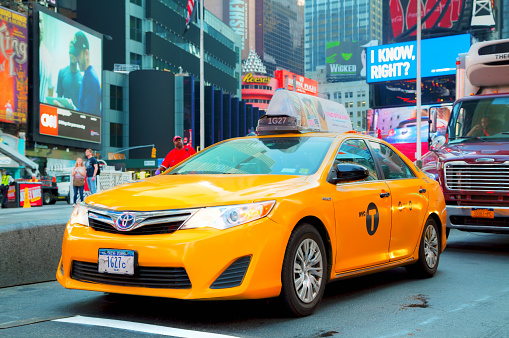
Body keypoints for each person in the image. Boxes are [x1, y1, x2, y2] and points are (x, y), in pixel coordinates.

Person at [70, 31, 101, 116]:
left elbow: (87, 118)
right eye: (75, 55)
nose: (76, 59)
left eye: (78, 55)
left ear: (86, 54)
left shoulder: (90, 78)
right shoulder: (88, 75)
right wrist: (73, 109)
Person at [56, 40, 83, 109]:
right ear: (69, 52)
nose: (73, 54)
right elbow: (58, 98)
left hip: (78, 116)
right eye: (72, 50)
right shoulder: (62, 72)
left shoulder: (82, 78)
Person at [39, 15, 54, 101]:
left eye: (41, 22)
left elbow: (50, 88)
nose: (40, 26)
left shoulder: (48, 57)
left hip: (40, 111)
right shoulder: (23, 49)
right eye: (37, 22)